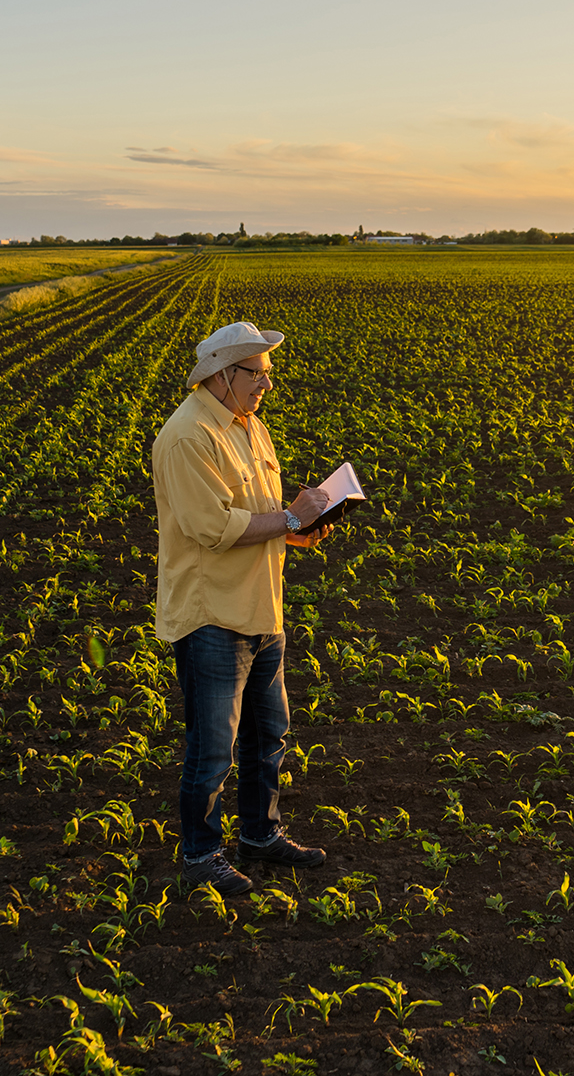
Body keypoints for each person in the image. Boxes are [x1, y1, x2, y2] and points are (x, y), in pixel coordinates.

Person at [152, 321, 333, 895]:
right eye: (257, 375)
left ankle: (260, 834)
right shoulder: (188, 436)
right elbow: (213, 528)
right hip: (213, 615)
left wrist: (296, 531)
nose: (266, 387)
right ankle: (201, 854)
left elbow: (257, 510)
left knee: (267, 735)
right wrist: (292, 519)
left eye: (268, 375)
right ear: (222, 375)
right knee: (213, 749)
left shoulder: (248, 426)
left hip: (261, 605)